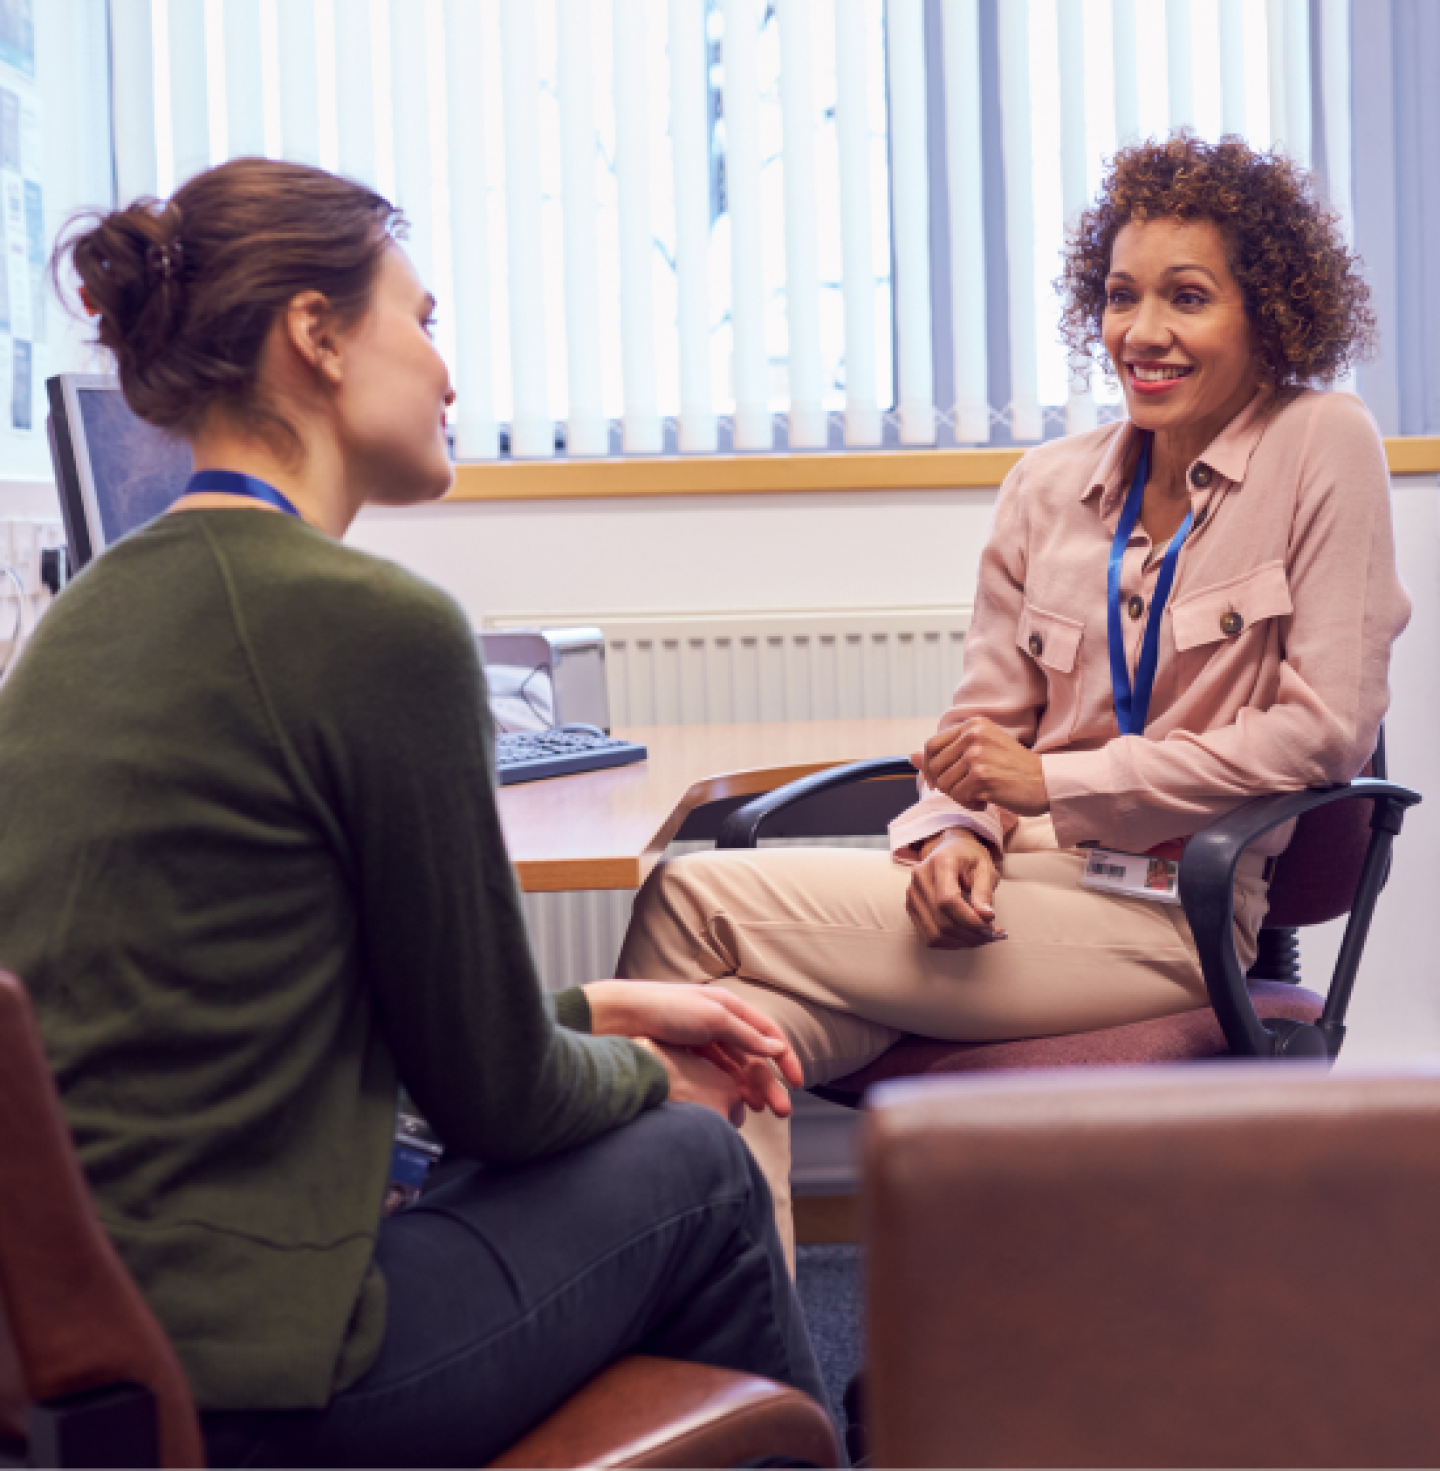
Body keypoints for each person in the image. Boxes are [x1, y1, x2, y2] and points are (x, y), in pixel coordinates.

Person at [0, 157, 833, 1471]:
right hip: (268, 1386)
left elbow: (264, 1025)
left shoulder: (76, 629)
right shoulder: (369, 625)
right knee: (700, 1166)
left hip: (73, 1373)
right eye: (424, 318)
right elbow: (498, 1100)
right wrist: (637, 1075)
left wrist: (599, 1014)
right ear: (317, 334)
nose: (447, 370)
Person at [618, 133, 1412, 1263]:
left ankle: (705, 1349)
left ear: (1268, 313)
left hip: (1177, 906)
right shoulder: (1046, 487)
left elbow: (1322, 730)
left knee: (693, 908)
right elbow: (979, 729)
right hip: (1022, 895)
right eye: (1121, 296)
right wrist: (954, 835)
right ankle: (751, 1376)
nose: (1142, 332)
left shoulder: (1320, 441)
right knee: (740, 1033)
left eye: (1188, 297)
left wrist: (1055, 783)